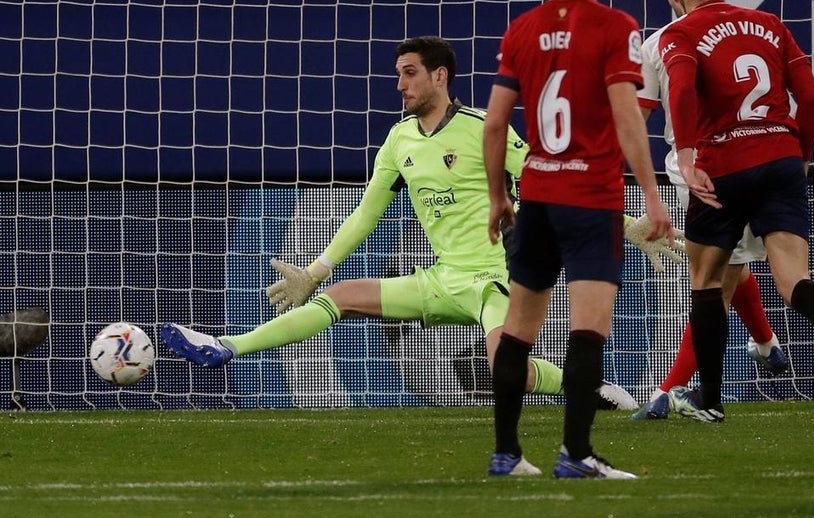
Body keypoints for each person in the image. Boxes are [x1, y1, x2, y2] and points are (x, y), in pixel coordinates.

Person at [158, 36, 637, 411]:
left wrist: (624, 218)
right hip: (441, 278)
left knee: (501, 370)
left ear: (439, 76)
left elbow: (549, 177)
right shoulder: (399, 139)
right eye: (398, 75)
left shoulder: (482, 128)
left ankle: (585, 383)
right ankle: (225, 346)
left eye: (409, 74)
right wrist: (315, 272)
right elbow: (367, 212)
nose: (400, 85)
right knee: (340, 297)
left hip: (495, 280)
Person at [483, 0, 674, 479]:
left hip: (537, 194)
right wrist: (652, 194)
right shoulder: (617, 28)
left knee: (518, 328)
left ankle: (507, 454)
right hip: (590, 196)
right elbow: (625, 116)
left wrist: (498, 197)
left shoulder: (521, 29)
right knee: (587, 328)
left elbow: (495, 125)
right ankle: (576, 453)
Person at [658, 0, 814, 423]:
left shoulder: (680, 33)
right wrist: (801, 152)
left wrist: (689, 155)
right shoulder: (769, 24)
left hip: (723, 165)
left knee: (706, 280)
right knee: (791, 278)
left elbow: (683, 90)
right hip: (781, 156)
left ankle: (709, 398)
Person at [631, 0, 791, 422]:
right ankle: (764, 344)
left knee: (717, 280)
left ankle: (670, 390)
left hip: (713, 167)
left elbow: (636, 118)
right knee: (725, 271)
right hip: (706, 171)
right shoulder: (750, 31)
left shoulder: (662, 42)